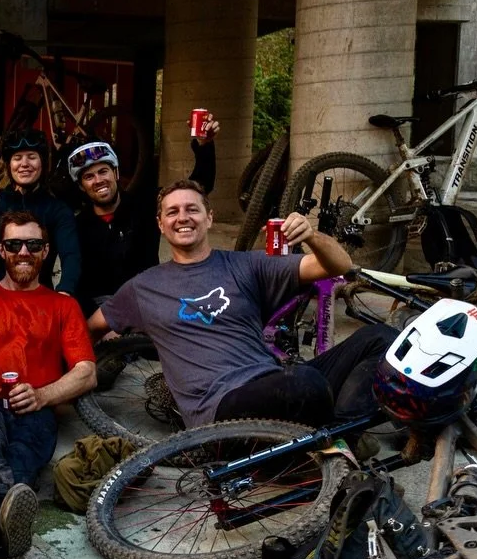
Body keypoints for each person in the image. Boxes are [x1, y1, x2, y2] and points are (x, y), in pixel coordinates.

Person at [90, 179, 396, 430]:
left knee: (382, 339)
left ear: (209, 218)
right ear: (161, 224)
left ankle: (340, 431)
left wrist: (312, 236)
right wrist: (74, 375)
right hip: (220, 406)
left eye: (192, 209)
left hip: (272, 381)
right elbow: (91, 327)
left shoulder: (246, 265)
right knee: (305, 384)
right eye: (172, 212)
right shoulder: (144, 287)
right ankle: (337, 434)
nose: (182, 217)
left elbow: (337, 265)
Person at [0, 213, 96, 559]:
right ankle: (3, 520)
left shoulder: (63, 305)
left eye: (33, 245)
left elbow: (86, 373)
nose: (23, 252)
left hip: (34, 407)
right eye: (14, 245)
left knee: (24, 456)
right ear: (1, 250)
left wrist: (42, 395)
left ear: (46, 252)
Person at [68, 117, 218, 316]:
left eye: (103, 171)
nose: (98, 180)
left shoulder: (145, 204)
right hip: (98, 313)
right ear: (81, 186)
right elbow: (79, 286)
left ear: (116, 173)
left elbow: (200, 185)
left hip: (147, 302)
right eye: (89, 176)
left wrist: (204, 145)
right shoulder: (77, 226)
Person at [0, 130, 81, 294]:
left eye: (32, 157)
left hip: (39, 298)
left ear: (43, 163)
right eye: (17, 158)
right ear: (8, 165)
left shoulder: (57, 209)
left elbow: (71, 256)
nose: (24, 164)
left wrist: (65, 291)